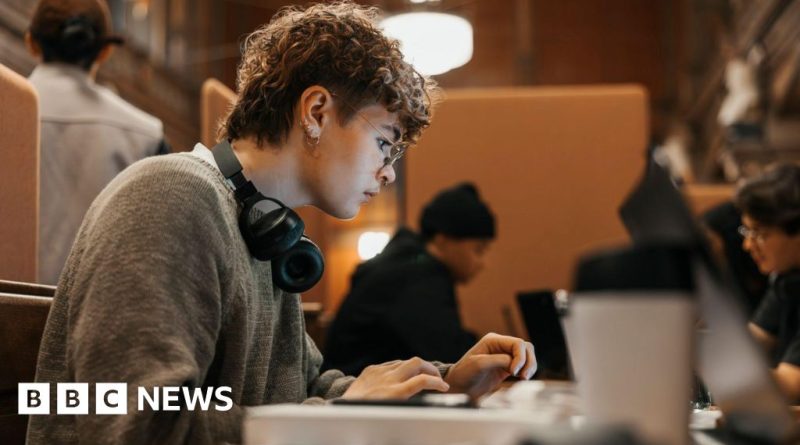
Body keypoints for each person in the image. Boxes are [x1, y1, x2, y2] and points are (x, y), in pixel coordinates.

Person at [27, 3, 536, 444]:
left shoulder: (265, 229)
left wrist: (445, 385)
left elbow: (303, 389)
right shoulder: (170, 198)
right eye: (384, 142)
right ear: (316, 111)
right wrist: (341, 413)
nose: (389, 172)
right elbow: (136, 425)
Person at [25, 0, 169, 285]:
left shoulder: (9, 110)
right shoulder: (147, 135)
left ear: (31, 43)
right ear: (105, 51)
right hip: (98, 307)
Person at [323, 182, 496, 375]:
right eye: (479, 250)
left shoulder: (406, 264)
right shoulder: (416, 278)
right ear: (442, 239)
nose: (483, 263)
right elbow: (451, 357)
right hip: (352, 387)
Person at [737, 164, 800, 402]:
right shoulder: (788, 278)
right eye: (746, 231)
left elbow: (790, 384)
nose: (748, 245)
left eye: (760, 233)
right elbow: (752, 342)